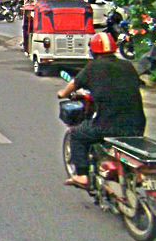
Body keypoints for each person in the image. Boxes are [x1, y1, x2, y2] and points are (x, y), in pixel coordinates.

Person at [57, 31, 145, 189]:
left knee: (76, 134)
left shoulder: (93, 67)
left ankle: (82, 175)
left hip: (108, 127)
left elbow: (74, 84)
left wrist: (62, 93)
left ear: (93, 51)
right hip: (137, 126)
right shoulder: (127, 65)